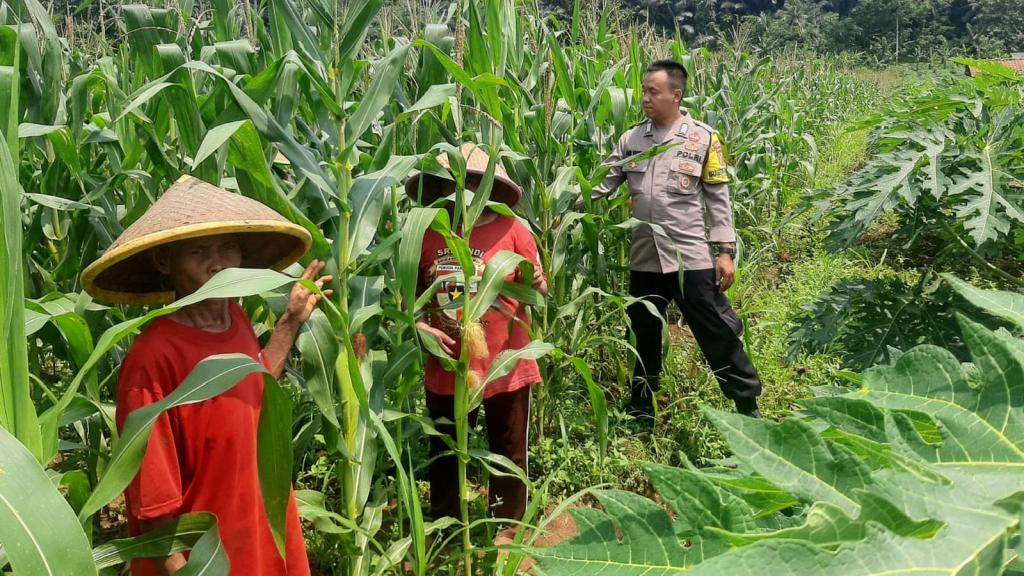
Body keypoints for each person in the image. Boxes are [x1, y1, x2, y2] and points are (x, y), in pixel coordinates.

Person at [81, 176, 331, 575]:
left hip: (259, 532)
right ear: (165, 261)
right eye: (199, 250)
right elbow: (154, 506)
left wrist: (289, 322)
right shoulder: (153, 360)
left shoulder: (234, 317)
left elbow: (255, 391)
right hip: (208, 558)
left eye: (229, 247)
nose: (219, 263)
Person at [583, 59, 763, 421]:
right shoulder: (631, 140)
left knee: (716, 329)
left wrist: (725, 251)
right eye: (644, 91)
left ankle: (747, 406)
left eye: (653, 92)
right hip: (645, 258)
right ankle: (641, 408)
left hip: (690, 256)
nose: (645, 98)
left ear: (675, 95)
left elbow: (718, 198)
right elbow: (599, 186)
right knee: (642, 333)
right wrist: (557, 203)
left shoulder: (704, 139)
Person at [406, 143, 547, 535]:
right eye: (453, 182)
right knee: (446, 450)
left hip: (505, 363)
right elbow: (409, 300)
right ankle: (448, 523)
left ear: (487, 186)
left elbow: (539, 290)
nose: (462, 191)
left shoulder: (515, 230)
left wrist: (538, 282)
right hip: (448, 363)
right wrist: (420, 327)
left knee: (508, 449)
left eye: (471, 182)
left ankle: (506, 525)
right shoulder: (427, 232)